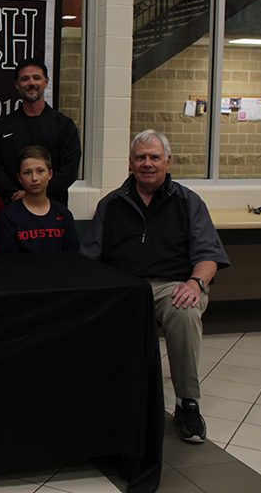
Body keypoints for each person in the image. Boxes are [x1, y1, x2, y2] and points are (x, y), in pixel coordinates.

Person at [81, 129, 230, 444]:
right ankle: (106, 402)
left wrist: (195, 282)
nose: (147, 163)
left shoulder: (189, 202)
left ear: (168, 162)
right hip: (124, 287)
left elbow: (209, 256)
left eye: (154, 157)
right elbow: (89, 258)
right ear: (131, 163)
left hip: (174, 285)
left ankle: (187, 403)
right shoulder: (111, 204)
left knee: (185, 313)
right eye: (140, 157)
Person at [0, 58, 81, 206]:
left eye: (37, 78)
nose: (31, 83)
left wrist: (36, 193)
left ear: (46, 82)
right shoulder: (2, 127)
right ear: (17, 84)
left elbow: (69, 169)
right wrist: (16, 194)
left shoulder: (64, 126)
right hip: (13, 208)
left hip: (54, 208)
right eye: (25, 79)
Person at [0, 145, 78, 254]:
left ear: (50, 174)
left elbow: (72, 257)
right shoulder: (8, 216)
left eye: (40, 171)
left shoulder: (63, 214)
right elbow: (7, 261)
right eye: (27, 172)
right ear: (19, 178)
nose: (34, 178)